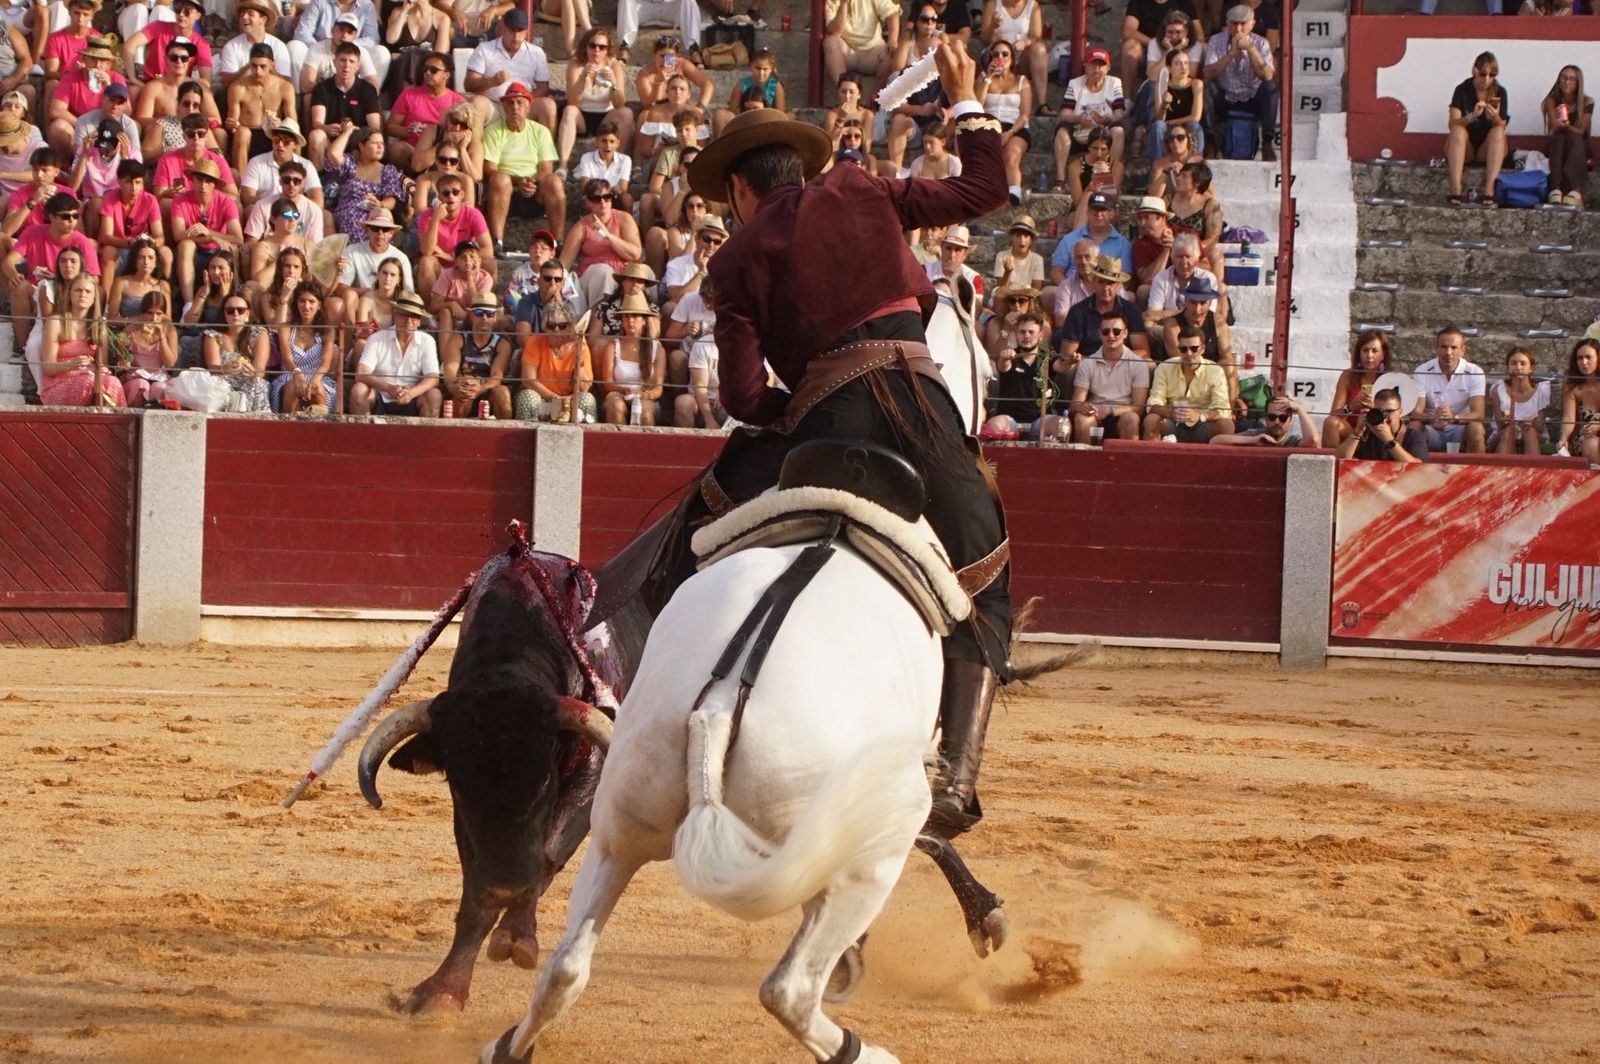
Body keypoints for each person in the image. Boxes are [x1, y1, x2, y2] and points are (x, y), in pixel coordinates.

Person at [678, 42, 1013, 838]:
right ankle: (956, 778)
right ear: (797, 164)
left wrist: (808, 408)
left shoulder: (734, 257)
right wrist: (965, 102)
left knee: (701, 530)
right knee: (984, 571)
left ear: (737, 188)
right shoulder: (862, 187)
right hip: (921, 415)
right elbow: (986, 188)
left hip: (821, 427)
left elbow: (743, 398)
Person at [482, 83, 565, 257]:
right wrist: (518, 182)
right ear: (503, 107)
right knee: (499, 179)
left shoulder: (540, 131)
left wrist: (529, 182)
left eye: (520, 103)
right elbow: (489, 168)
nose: (515, 107)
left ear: (528, 106)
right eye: (510, 103)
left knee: (554, 180)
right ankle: (497, 242)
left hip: (535, 190)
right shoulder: (493, 130)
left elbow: (546, 168)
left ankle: (558, 242)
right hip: (505, 192)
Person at [556, 28, 633, 178]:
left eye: (602, 47)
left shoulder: (614, 65)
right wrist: (583, 77)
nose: (596, 50)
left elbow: (619, 104)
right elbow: (572, 100)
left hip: (605, 117)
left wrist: (613, 83)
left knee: (626, 114)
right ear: (585, 46)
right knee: (569, 111)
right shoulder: (575, 64)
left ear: (607, 50)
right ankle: (563, 166)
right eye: (592, 45)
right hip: (582, 116)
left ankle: (615, 164)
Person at [463, 9, 557, 132]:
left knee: (548, 106)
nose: (516, 36)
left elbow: (543, 88)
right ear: (503, 28)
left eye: (520, 31)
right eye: (512, 30)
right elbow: (469, 84)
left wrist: (521, 99)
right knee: (476, 103)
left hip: (524, 105)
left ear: (526, 31)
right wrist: (491, 82)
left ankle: (548, 149)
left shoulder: (536, 53)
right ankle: (475, 148)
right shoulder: (484, 49)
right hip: (494, 105)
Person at [1203, 4, 1276, 162]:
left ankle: (1267, 143)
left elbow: (1268, 75)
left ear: (1252, 24)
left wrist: (1250, 49)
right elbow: (1208, 72)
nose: (1238, 28)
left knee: (1270, 88)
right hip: (1226, 97)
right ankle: (1210, 140)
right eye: (1234, 23)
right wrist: (1230, 54)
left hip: (1251, 98)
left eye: (1243, 24)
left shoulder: (1261, 43)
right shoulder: (1216, 41)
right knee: (1206, 86)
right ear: (1227, 23)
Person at [38, 273, 123, 406]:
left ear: (94, 297)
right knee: (88, 381)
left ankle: (116, 425)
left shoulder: (99, 325)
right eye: (78, 290)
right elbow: (48, 368)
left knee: (113, 382)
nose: (82, 294)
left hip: (91, 376)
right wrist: (70, 365)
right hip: (59, 382)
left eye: (88, 291)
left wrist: (103, 370)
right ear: (70, 294)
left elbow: (103, 364)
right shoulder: (55, 322)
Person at [350, 289, 438, 416]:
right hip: (380, 394)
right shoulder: (376, 338)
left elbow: (433, 377)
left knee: (434, 395)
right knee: (359, 390)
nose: (408, 320)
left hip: (413, 396)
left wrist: (411, 393)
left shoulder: (427, 341)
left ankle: (425, 436)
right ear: (395, 315)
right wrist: (389, 388)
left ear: (419, 321)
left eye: (413, 316)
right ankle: (362, 435)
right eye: (404, 314)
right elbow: (361, 373)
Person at [560, 177, 643, 310]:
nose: (603, 202)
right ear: (588, 202)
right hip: (593, 279)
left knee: (647, 274)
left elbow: (635, 253)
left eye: (607, 197)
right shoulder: (581, 226)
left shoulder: (624, 218)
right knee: (603, 272)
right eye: (596, 199)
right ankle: (597, 320)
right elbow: (563, 265)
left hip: (623, 275)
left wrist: (608, 235)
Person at [171, 156, 244, 304]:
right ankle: (188, 303)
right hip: (194, 251)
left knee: (233, 248)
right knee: (186, 245)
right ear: (192, 180)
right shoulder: (180, 201)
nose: (203, 185)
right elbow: (178, 236)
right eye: (199, 179)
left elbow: (238, 238)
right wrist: (211, 238)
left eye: (208, 181)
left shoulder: (226, 202)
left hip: (218, 250)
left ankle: (230, 298)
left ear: (215, 184)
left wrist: (210, 233)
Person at [1068, 310, 1149, 443]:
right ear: (1099, 334)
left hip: (1122, 413)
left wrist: (1111, 411)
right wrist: (1082, 407)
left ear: (1125, 333)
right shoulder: (1088, 363)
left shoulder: (1138, 364)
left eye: (1116, 331)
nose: (1111, 335)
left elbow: (1139, 407)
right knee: (1081, 419)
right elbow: (1075, 403)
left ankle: (1127, 463)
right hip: (1095, 414)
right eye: (1105, 332)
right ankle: (1085, 463)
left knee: (1131, 419)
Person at [1143, 323, 1233, 442]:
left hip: (1203, 424)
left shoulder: (1215, 370)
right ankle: (1151, 459)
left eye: (1194, 348)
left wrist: (1200, 416)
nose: (1189, 353)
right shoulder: (1165, 366)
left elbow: (1222, 408)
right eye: (1184, 349)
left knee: (1226, 425)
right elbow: (1152, 403)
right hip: (1172, 421)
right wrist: (1169, 413)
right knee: (1151, 420)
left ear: (1203, 349)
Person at [1053, 47, 1124, 191]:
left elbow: (1119, 113)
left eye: (1101, 65)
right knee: (1062, 131)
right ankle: (1060, 178)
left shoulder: (1114, 83)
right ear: (1085, 66)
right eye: (1092, 64)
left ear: (1108, 68)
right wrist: (1079, 118)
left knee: (1118, 131)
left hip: (1103, 131)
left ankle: (1109, 176)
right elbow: (1065, 113)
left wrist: (1106, 119)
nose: (1096, 68)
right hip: (1080, 129)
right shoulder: (1075, 84)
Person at [515, 296, 594, 421]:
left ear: (569, 327)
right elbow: (528, 380)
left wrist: (579, 356)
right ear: (544, 327)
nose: (556, 330)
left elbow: (584, 387)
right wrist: (555, 398)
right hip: (542, 398)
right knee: (527, 397)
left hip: (570, 400)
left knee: (588, 399)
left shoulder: (580, 346)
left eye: (562, 326)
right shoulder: (534, 342)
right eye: (551, 326)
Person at [415, 171, 493, 297]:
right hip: (440, 266)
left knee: (490, 263)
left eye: (455, 192)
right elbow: (426, 250)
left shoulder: (473, 214)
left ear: (462, 194)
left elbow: (488, 250)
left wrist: (455, 258)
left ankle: (484, 306)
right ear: (439, 197)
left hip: (466, 263)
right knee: (426, 262)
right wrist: (435, 219)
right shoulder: (427, 216)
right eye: (446, 193)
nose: (451, 196)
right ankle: (431, 310)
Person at [1411, 325, 1487, 454]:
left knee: (1477, 429)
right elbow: (1416, 412)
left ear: (1463, 350)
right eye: (1444, 347)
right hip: (1431, 427)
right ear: (1436, 349)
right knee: (1413, 427)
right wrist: (1432, 419)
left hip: (1461, 427)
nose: (1448, 352)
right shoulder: (1422, 371)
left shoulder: (1475, 372)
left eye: (1454, 347)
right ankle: (1412, 471)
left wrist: (1454, 417)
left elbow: (1478, 413)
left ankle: (1476, 472)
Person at [1057, 254, 1148, 360]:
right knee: (1069, 369)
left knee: (1149, 364)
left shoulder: (1131, 310)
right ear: (1093, 282)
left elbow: (1143, 351)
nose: (1105, 287)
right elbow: (1067, 354)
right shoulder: (1078, 311)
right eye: (1101, 282)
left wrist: (1113, 361)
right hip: (1087, 365)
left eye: (1111, 283)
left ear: (1118, 285)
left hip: (1123, 364)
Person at [982, 311, 1059, 438]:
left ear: (1040, 336)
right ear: (1016, 334)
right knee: (994, 425)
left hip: (1040, 421)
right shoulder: (1010, 356)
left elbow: (1061, 366)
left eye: (1031, 332)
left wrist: (1071, 361)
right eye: (1022, 332)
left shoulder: (1048, 359)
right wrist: (1005, 358)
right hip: (1010, 420)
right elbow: (1003, 366)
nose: (1026, 336)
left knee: (1062, 424)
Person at [1446, 51, 1508, 207]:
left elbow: (1502, 126)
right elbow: (1452, 124)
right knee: (1458, 130)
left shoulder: (1500, 92)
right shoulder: (1462, 89)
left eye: (1492, 75)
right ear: (1474, 71)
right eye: (1482, 74)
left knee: (1498, 132)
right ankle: (1456, 188)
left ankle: (1489, 189)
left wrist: (1494, 117)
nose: (1487, 79)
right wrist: (1471, 117)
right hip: (1464, 148)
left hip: (1487, 149)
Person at [594, 290, 664, 424]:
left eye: (635, 316)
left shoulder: (658, 349)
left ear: (644, 321)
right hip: (618, 395)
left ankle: (646, 444)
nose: (630, 321)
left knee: (645, 410)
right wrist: (621, 390)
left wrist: (646, 395)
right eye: (626, 316)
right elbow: (607, 382)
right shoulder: (612, 346)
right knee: (615, 404)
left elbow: (658, 387)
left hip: (646, 398)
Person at [977, 40, 1033, 207]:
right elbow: (977, 104)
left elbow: (1024, 115)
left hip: (1014, 126)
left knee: (1011, 155)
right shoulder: (983, 77)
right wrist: (988, 79)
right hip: (988, 124)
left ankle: (1014, 190)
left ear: (1012, 59)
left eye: (1005, 54)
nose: (1000, 57)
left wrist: (1010, 133)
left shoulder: (1022, 81)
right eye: (995, 54)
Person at [441, 290, 513, 419]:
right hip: (462, 386)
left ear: (495, 317)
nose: (484, 318)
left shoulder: (502, 344)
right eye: (479, 313)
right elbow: (450, 371)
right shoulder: (457, 339)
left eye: (489, 314)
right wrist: (455, 387)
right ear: (471, 315)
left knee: (502, 392)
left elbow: (497, 376)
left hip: (486, 390)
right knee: (465, 388)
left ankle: (505, 436)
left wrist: (480, 388)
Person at [385, 52, 462, 172]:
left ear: (447, 75)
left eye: (433, 70)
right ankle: (409, 180)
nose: (427, 73)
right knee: (397, 150)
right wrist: (407, 130)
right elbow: (390, 127)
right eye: (425, 69)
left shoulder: (457, 101)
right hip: (412, 146)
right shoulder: (409, 94)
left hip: (442, 147)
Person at [271, 280, 339, 414]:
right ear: (296, 304)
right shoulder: (286, 328)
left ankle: (321, 428)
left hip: (318, 377)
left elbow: (325, 363)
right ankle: (287, 427)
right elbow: (287, 359)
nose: (306, 306)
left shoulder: (327, 331)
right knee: (293, 386)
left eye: (311, 301)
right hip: (290, 375)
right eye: (302, 301)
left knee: (318, 389)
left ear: (319, 305)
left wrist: (315, 379)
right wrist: (298, 375)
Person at [1321, 329, 1391, 449]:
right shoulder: (1348, 376)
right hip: (1353, 432)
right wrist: (1351, 407)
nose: (1369, 355)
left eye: (1375, 351)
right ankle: (1333, 465)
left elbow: (1396, 418)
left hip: (1380, 432)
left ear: (1383, 354)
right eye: (1365, 350)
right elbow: (1334, 414)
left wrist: (1375, 408)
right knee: (1330, 422)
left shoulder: (1391, 378)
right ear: (1359, 353)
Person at [667, 274, 722, 427]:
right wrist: (685, 330)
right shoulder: (689, 299)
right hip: (692, 354)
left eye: (713, 301)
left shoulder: (732, 307)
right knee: (677, 357)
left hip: (718, 356)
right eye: (706, 300)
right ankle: (677, 397)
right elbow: (669, 336)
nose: (709, 306)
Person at [201, 293, 272, 412]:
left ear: (247, 313)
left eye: (240, 310)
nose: (235, 314)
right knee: (215, 384)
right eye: (230, 310)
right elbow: (212, 366)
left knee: (258, 383)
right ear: (224, 314)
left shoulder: (259, 333)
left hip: (250, 380)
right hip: (223, 381)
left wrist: (251, 371)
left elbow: (260, 369)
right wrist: (225, 368)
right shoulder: (213, 335)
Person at [1120, 0, 1201, 100]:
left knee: (1204, 47)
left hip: (1182, 49)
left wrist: (1178, 47)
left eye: (1177, 32)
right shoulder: (1138, 2)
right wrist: (1156, 43)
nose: (1174, 35)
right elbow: (1127, 31)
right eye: (1171, 32)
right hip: (1148, 49)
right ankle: (1127, 100)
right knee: (1129, 46)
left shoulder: (1184, 2)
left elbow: (1199, 34)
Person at [1048, 191, 1131, 287]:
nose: (1098, 214)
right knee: (1049, 292)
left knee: (1130, 297)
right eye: (1094, 209)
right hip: (1073, 290)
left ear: (1112, 213)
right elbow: (1056, 272)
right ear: (1087, 212)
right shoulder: (1069, 239)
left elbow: (1127, 277)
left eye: (1103, 210)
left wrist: (1105, 291)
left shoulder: (1123, 244)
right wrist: (1069, 290)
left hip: (1107, 292)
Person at [979, 0, 1048, 113]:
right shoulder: (993, 4)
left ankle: (1042, 104)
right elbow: (984, 40)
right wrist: (993, 26)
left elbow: (1036, 36)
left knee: (1039, 49)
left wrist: (1025, 42)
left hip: (1020, 56)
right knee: (999, 51)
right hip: (996, 55)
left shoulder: (1032, 5)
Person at [821, 0, 899, 96]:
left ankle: (875, 94)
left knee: (892, 53)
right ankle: (844, 91)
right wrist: (844, 5)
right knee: (830, 41)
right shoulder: (829, 2)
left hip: (873, 51)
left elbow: (892, 13)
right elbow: (835, 31)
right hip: (846, 52)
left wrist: (892, 40)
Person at [117, 288, 178, 406]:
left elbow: (170, 363)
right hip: (134, 377)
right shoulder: (129, 331)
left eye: (158, 314)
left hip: (160, 377)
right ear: (142, 313)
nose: (154, 318)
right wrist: (125, 360)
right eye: (150, 313)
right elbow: (122, 359)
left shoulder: (170, 331)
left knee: (159, 388)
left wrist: (162, 338)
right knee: (141, 385)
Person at [1542, 65, 1590, 209]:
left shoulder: (1587, 101)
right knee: (1560, 138)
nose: (1567, 82)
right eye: (1564, 77)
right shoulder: (1551, 100)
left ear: (1578, 83)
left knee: (1573, 138)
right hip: (1559, 145)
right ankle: (1555, 189)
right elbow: (1554, 129)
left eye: (1572, 79)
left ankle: (1576, 190)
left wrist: (1567, 125)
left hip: (1580, 147)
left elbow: (1581, 131)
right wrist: (1558, 123)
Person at [1492, 345, 1553, 454]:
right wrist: (1506, 421)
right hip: (1505, 433)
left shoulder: (1541, 391)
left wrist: (1530, 423)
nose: (1518, 367)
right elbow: (1499, 425)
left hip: (1534, 433)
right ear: (1508, 367)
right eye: (1513, 363)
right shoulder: (1498, 389)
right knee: (1509, 430)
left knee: (1529, 431)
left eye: (1523, 363)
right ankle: (1504, 469)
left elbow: (1539, 427)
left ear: (1531, 368)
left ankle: (1533, 469)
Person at [714, 47, 787, 137]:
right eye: (758, 68)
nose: (761, 73)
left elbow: (780, 113)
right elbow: (732, 110)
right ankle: (722, 146)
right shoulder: (741, 84)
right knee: (720, 114)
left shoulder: (776, 86)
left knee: (791, 117)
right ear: (751, 66)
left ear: (771, 69)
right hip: (744, 121)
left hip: (767, 122)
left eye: (765, 69)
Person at [1336, 388, 1422, 464]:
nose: (1385, 416)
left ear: (1400, 412)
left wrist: (1389, 441)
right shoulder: (1365, 433)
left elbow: (1417, 468)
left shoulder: (1413, 436)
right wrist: (1357, 431)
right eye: (1379, 411)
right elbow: (1339, 460)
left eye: (1389, 411)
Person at [1211, 393, 1316, 446]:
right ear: (1265, 418)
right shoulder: (1256, 436)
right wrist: (1252, 440)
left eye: (1283, 418)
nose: (1277, 422)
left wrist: (1299, 409)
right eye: (1272, 417)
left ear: (1290, 420)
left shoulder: (1292, 441)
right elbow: (1215, 441)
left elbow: (1313, 441)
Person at [1556, 338, 1600, 461]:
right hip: (1585, 437)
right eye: (1579, 358)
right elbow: (1569, 418)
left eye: (1588, 357)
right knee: (1591, 443)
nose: (1584, 362)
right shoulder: (1572, 384)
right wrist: (1563, 438)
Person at [992, 214, 1046, 298]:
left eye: (1026, 236)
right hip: (1006, 296)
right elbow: (1001, 288)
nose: (1022, 240)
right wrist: (1007, 271)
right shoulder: (1002, 256)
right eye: (1018, 236)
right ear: (1011, 237)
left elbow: (1036, 288)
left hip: (1026, 297)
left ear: (1031, 239)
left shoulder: (1037, 259)